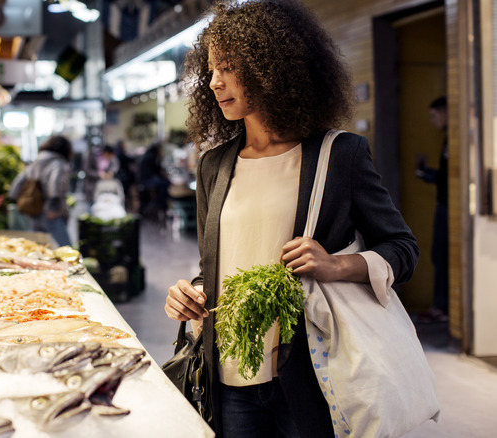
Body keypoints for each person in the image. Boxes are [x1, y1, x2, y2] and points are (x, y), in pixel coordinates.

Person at [164, 1, 419, 437]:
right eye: (210, 69)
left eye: (228, 67)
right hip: (228, 373)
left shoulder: (339, 156)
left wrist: (337, 264)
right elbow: (217, 267)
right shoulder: (214, 165)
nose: (214, 82)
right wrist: (191, 295)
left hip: (309, 373)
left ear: (271, 68)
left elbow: (402, 249)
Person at [415, 96, 449, 322]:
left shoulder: (454, 139)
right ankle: (442, 307)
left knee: (442, 254)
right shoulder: (448, 139)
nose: (433, 121)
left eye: (435, 115)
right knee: (439, 254)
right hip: (444, 205)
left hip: (449, 207)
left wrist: (429, 175)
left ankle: (442, 308)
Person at [9, 135, 73, 247]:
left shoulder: (36, 162)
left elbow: (17, 183)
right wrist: (54, 208)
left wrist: (15, 200)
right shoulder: (58, 163)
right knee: (66, 247)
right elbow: (55, 185)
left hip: (33, 210)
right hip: (51, 212)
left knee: (38, 248)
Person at [138, 142, 171, 219]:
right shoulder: (151, 157)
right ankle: (160, 204)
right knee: (165, 184)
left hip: (146, 179)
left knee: (164, 183)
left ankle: (161, 204)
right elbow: (157, 170)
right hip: (147, 180)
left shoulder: (149, 155)